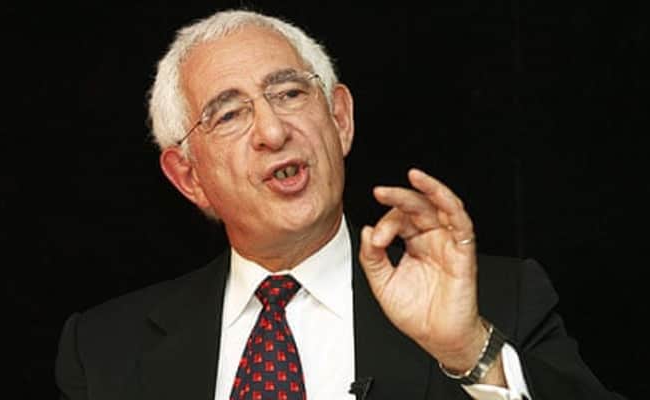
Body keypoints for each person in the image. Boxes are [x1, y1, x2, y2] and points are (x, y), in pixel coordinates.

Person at [55, 9, 625, 400]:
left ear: (340, 120)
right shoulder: (105, 350)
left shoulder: (500, 302)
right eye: (229, 114)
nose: (273, 131)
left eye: (289, 93)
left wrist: (470, 351)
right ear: (188, 177)